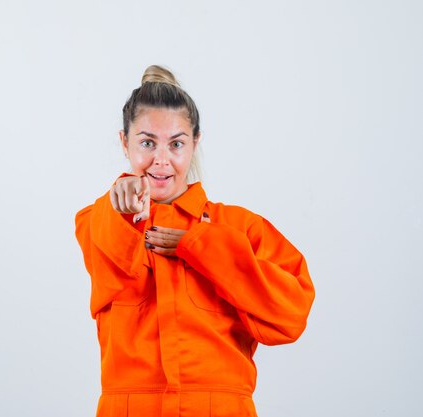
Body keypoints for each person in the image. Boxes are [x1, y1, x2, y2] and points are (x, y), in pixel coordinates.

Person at [75, 65, 315, 417]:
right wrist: (121, 205)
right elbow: (112, 258)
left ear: (195, 142)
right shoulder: (100, 220)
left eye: (176, 144)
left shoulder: (239, 226)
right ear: (124, 142)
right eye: (146, 142)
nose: (161, 161)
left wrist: (202, 245)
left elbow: (291, 314)